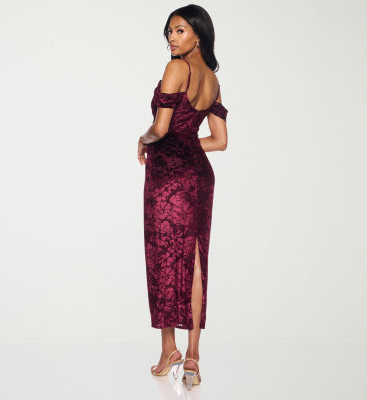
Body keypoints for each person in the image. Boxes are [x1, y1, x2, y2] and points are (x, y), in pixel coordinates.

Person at [137, 4, 228, 391]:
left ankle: (168, 350)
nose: (172, 39)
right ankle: (192, 357)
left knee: (164, 256)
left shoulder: (177, 69)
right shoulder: (213, 81)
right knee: (194, 261)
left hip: (169, 178)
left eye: (179, 31)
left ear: (198, 35)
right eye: (169, 32)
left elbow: (160, 128)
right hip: (199, 177)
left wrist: (143, 140)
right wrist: (187, 145)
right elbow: (219, 141)